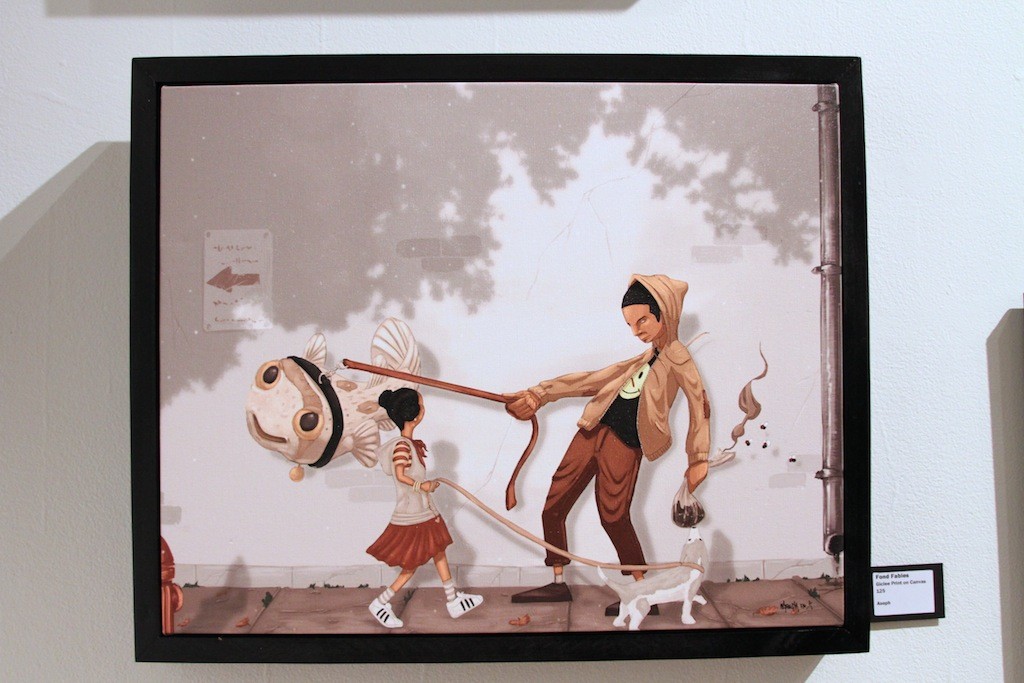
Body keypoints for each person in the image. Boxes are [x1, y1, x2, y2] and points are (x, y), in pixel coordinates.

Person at [504, 274, 711, 605]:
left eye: (642, 320)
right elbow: (591, 380)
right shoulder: (642, 360)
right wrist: (538, 394)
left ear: (665, 313)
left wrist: (698, 457)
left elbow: (699, 404)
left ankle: (642, 590)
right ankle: (558, 581)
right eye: (630, 324)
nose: (636, 331)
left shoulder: (678, 358)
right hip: (591, 432)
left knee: (614, 517)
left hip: (624, 443)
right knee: (553, 506)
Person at [367, 388, 484, 628]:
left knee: (438, 549)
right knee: (412, 564)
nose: (423, 409)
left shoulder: (408, 444)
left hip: (423, 510)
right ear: (414, 414)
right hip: (413, 515)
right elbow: (400, 475)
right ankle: (381, 602)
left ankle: (452, 599)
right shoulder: (402, 446)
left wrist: (425, 486)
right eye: (421, 404)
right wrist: (424, 485)